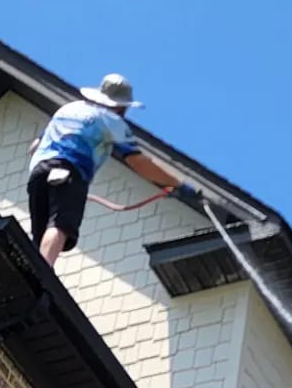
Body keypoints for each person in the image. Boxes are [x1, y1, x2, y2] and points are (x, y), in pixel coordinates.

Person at [27, 73, 198, 266]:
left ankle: (34, 273)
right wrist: (177, 184)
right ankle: (44, 272)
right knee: (60, 224)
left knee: (39, 234)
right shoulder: (112, 121)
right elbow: (138, 161)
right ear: (120, 106)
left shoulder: (69, 108)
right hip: (69, 171)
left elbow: (34, 147)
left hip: (38, 173)